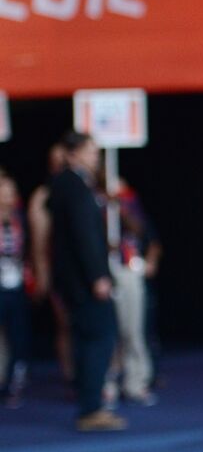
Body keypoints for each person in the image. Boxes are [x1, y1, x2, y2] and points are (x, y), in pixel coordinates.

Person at [47, 132, 123, 432]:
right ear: (73, 153)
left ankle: (88, 401)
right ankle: (92, 407)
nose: (96, 158)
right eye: (91, 152)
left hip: (74, 281)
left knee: (86, 338)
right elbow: (84, 237)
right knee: (100, 338)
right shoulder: (75, 186)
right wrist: (98, 277)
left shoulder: (67, 184)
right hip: (84, 281)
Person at [106, 178, 157, 406]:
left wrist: (121, 208)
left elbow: (145, 232)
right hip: (106, 271)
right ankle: (107, 384)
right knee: (108, 333)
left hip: (130, 272)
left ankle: (136, 381)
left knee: (133, 330)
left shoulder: (129, 204)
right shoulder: (94, 203)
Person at [28, 143, 72, 387]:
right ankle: (71, 375)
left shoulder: (84, 188)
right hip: (59, 270)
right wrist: (42, 273)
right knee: (65, 324)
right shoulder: (44, 196)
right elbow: (39, 240)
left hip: (83, 269)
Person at [0, 177, 32, 408]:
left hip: (17, 284)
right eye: (5, 192)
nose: (10, 196)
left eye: (12, 191)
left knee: (17, 335)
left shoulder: (19, 219)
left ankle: (13, 382)